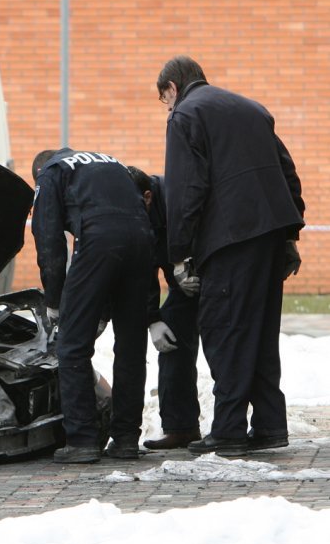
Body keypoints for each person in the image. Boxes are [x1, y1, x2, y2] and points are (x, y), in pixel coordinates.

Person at [157, 55, 305, 455]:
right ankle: (271, 425)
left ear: (171, 89)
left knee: (226, 332)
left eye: (163, 101)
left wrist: (181, 254)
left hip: (229, 240)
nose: (166, 109)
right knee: (259, 333)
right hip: (271, 237)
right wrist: (290, 234)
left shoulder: (185, 115)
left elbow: (186, 190)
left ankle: (229, 430)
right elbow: (287, 172)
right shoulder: (252, 109)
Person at [32, 148, 153, 463]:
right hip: (142, 239)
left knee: (72, 345)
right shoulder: (106, 161)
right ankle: (126, 439)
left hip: (100, 239)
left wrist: (55, 300)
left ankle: (82, 441)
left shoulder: (50, 172)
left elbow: (49, 240)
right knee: (130, 345)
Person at [126, 166, 202, 450]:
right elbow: (143, 265)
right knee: (172, 339)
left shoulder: (178, 197)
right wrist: (153, 318)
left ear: (147, 196)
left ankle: (236, 428)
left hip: (218, 274)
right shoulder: (134, 211)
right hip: (184, 287)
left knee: (228, 348)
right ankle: (181, 427)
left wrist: (191, 263)